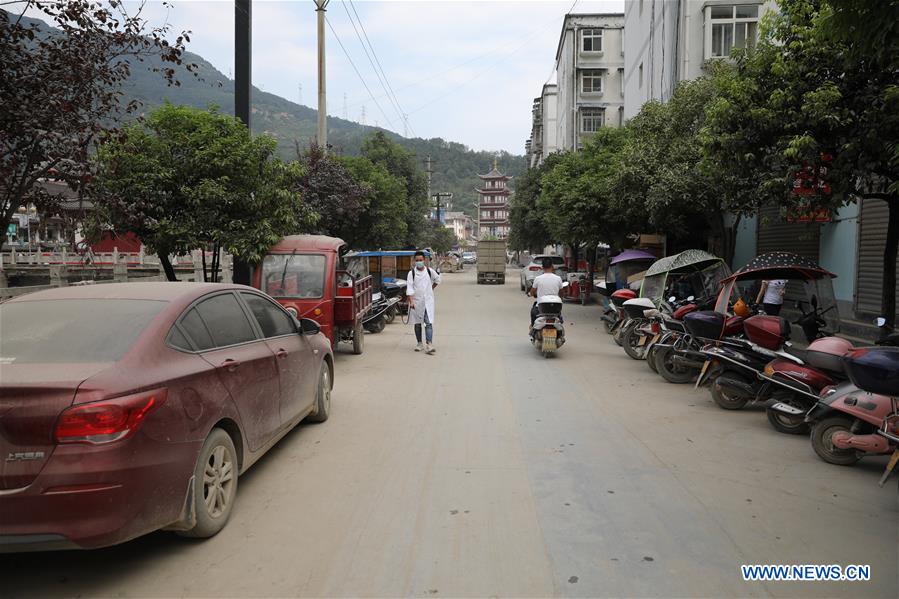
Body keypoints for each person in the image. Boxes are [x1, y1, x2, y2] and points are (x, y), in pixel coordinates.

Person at [406, 250, 441, 354]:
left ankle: (429, 344)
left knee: (428, 323)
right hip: (416, 302)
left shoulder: (430, 271)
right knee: (417, 324)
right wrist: (411, 301)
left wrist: (431, 288)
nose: (419, 262)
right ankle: (419, 343)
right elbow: (409, 288)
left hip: (428, 302)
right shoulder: (411, 273)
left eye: (421, 260)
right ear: (414, 261)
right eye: (417, 260)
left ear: (424, 260)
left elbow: (437, 280)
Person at [529, 256, 564, 328]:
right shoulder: (558, 279)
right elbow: (561, 293)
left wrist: (530, 294)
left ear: (542, 267)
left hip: (541, 308)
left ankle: (533, 328)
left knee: (533, 313)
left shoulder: (538, 279)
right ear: (552, 266)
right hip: (555, 308)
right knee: (560, 318)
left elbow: (532, 292)